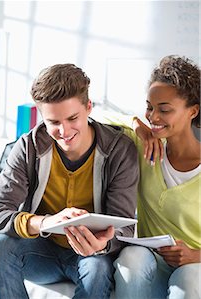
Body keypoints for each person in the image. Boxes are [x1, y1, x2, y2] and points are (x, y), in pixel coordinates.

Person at [0, 63, 139, 299]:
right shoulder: (28, 147)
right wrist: (44, 223)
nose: (64, 131)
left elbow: (124, 225)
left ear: (88, 107)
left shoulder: (119, 150)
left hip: (90, 256)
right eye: (53, 122)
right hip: (40, 254)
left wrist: (103, 245)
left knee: (96, 267)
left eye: (72, 118)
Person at [113, 55, 200, 298]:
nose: (153, 117)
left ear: (193, 111)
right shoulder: (144, 145)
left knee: (191, 277)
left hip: (195, 268)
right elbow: (91, 114)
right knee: (131, 257)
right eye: (150, 107)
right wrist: (135, 124)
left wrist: (195, 255)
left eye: (164, 109)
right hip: (153, 261)